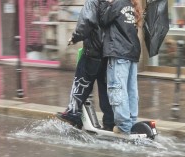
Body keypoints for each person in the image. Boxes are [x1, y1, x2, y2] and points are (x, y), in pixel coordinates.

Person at [56, 0, 114, 131]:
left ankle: (73, 113)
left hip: (92, 51)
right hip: (108, 53)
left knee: (81, 82)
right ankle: (110, 122)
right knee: (105, 89)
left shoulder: (92, 2)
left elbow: (86, 22)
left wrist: (75, 38)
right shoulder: (114, 3)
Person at [99, 0, 143, 134]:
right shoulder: (133, 6)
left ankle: (124, 125)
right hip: (132, 53)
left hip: (118, 52)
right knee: (131, 89)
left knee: (117, 88)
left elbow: (103, 20)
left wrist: (107, 3)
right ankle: (131, 120)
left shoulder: (117, 4)